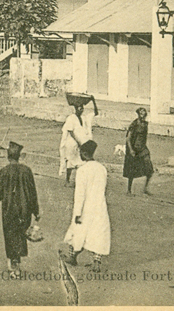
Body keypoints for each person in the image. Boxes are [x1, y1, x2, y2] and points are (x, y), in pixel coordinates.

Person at [0, 141, 40, 276]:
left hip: (9, 209)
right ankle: (16, 262)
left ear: (8, 156)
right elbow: (32, 192)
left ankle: (13, 263)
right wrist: (36, 211)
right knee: (20, 234)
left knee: (10, 234)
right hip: (24, 210)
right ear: (19, 156)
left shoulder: (4, 171)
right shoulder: (27, 171)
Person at [62, 140, 110, 272]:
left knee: (77, 231)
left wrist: (77, 213)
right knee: (98, 233)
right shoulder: (102, 169)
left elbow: (80, 195)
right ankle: (96, 262)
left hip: (85, 208)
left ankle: (73, 257)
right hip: (99, 206)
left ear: (84, 153)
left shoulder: (82, 170)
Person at [59, 95, 97, 186]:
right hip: (72, 143)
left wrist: (93, 101)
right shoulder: (71, 118)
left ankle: (81, 181)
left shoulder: (84, 118)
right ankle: (67, 180)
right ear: (76, 109)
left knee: (81, 162)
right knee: (71, 162)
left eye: (82, 109)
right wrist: (78, 142)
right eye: (79, 109)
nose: (81, 110)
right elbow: (71, 131)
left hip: (81, 143)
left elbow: (96, 113)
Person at [124, 107, 154, 195]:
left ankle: (145, 188)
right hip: (135, 149)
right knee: (132, 170)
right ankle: (129, 190)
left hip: (143, 149)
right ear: (138, 114)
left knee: (149, 169)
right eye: (141, 113)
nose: (143, 115)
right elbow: (128, 138)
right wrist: (131, 150)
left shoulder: (145, 124)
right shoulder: (134, 124)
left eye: (144, 113)